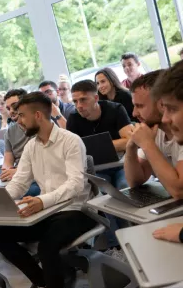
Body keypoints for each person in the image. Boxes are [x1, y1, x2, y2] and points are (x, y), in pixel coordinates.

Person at [0, 92, 96, 288]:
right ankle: (45, 285)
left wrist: (42, 201)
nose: (18, 122)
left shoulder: (71, 141)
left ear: (38, 115)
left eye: (22, 116)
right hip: (48, 211)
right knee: (1, 236)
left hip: (77, 210)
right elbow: (19, 182)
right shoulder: (31, 146)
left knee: (48, 246)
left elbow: (76, 184)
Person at [67, 80, 133, 253]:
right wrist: (114, 143)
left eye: (83, 100)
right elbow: (71, 152)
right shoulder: (73, 119)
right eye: (75, 101)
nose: (78, 106)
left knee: (124, 188)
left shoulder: (115, 109)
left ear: (96, 98)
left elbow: (129, 140)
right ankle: (117, 244)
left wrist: (102, 145)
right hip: (96, 170)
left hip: (121, 164)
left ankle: (135, 234)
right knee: (104, 196)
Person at [125, 70, 183, 199]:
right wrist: (131, 148)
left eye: (140, 106)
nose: (134, 113)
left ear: (162, 104)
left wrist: (147, 144)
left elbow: (179, 191)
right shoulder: (154, 131)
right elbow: (135, 181)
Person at [0, 89, 41, 196]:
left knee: (25, 192)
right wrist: (7, 171)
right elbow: (7, 160)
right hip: (18, 174)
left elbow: (43, 163)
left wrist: (18, 172)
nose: (11, 111)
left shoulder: (40, 126)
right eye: (8, 108)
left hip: (36, 174)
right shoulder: (10, 131)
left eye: (14, 105)